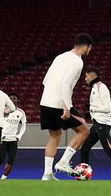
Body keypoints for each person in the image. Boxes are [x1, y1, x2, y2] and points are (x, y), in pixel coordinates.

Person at [39, 33, 92, 179]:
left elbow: (45, 80)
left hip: (45, 101)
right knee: (84, 130)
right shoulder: (77, 61)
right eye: (90, 49)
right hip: (59, 103)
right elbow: (65, 83)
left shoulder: (60, 57)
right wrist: (66, 106)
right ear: (87, 47)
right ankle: (64, 162)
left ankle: (47, 174)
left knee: (55, 136)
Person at [78, 66, 111, 179]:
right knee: (85, 148)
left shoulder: (102, 87)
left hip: (102, 124)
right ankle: (83, 174)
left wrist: (92, 108)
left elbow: (107, 108)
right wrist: (90, 113)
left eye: (86, 76)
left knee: (108, 149)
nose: (85, 78)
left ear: (92, 75)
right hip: (96, 124)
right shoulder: (94, 88)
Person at [0, 94, 26, 179]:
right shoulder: (1, 110)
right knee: (0, 160)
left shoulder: (21, 112)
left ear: (17, 100)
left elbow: (23, 125)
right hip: (2, 139)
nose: (12, 99)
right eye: (10, 98)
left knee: (12, 160)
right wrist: (0, 134)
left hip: (13, 140)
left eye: (14, 98)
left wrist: (19, 136)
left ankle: (3, 178)